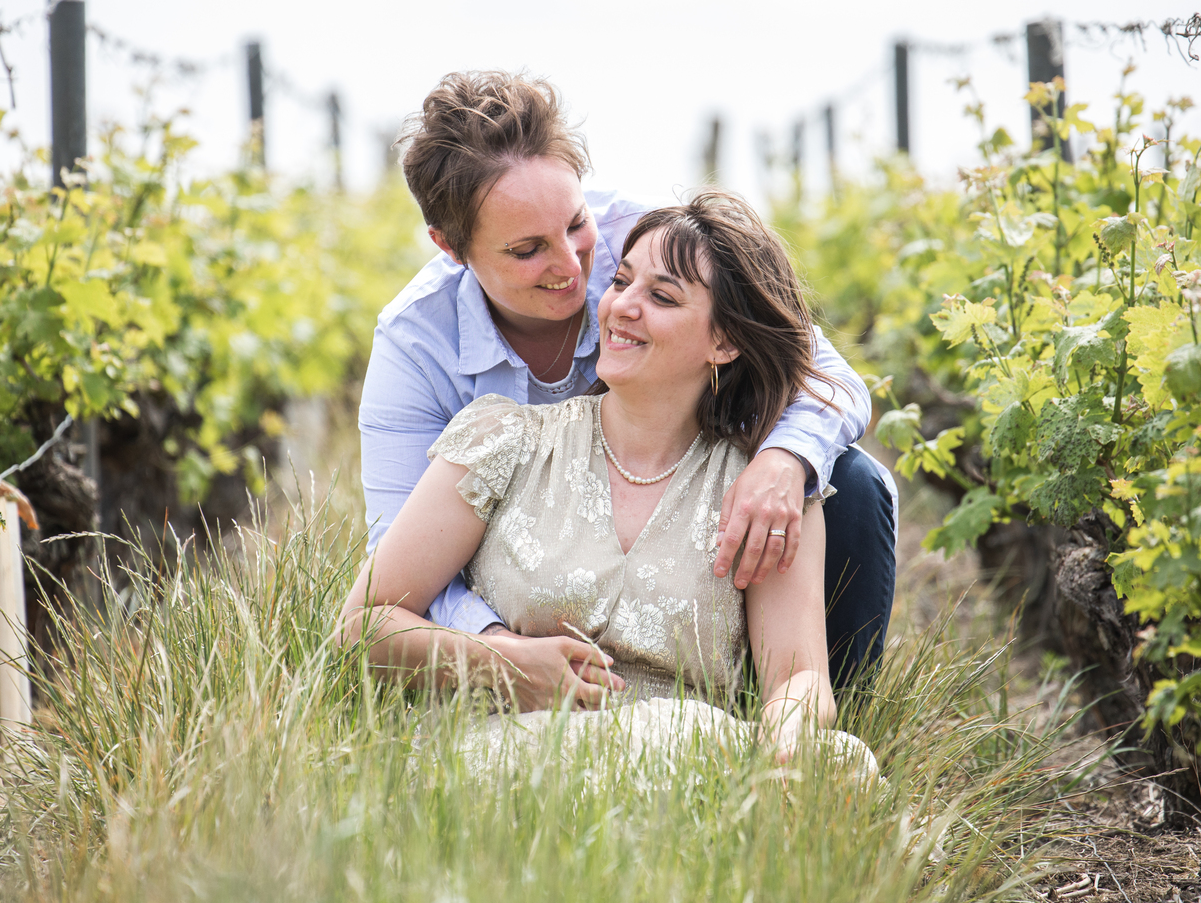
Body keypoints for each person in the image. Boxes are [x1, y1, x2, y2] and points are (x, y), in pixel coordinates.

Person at [357, 71, 897, 693]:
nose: (570, 267)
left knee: (848, 481)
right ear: (451, 248)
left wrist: (782, 460)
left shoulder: (647, 245)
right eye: (527, 250)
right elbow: (396, 552)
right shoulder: (414, 344)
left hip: (684, 500)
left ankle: (828, 707)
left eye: (575, 223)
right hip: (511, 589)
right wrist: (498, 651)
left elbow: (826, 377)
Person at [339, 193, 875, 773]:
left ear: (723, 343)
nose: (621, 306)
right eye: (621, 282)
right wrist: (502, 663)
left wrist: (785, 736)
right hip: (512, 758)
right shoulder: (500, 440)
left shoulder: (762, 492)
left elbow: (798, 676)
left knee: (843, 760)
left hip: (687, 761)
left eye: (662, 296)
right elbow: (362, 626)